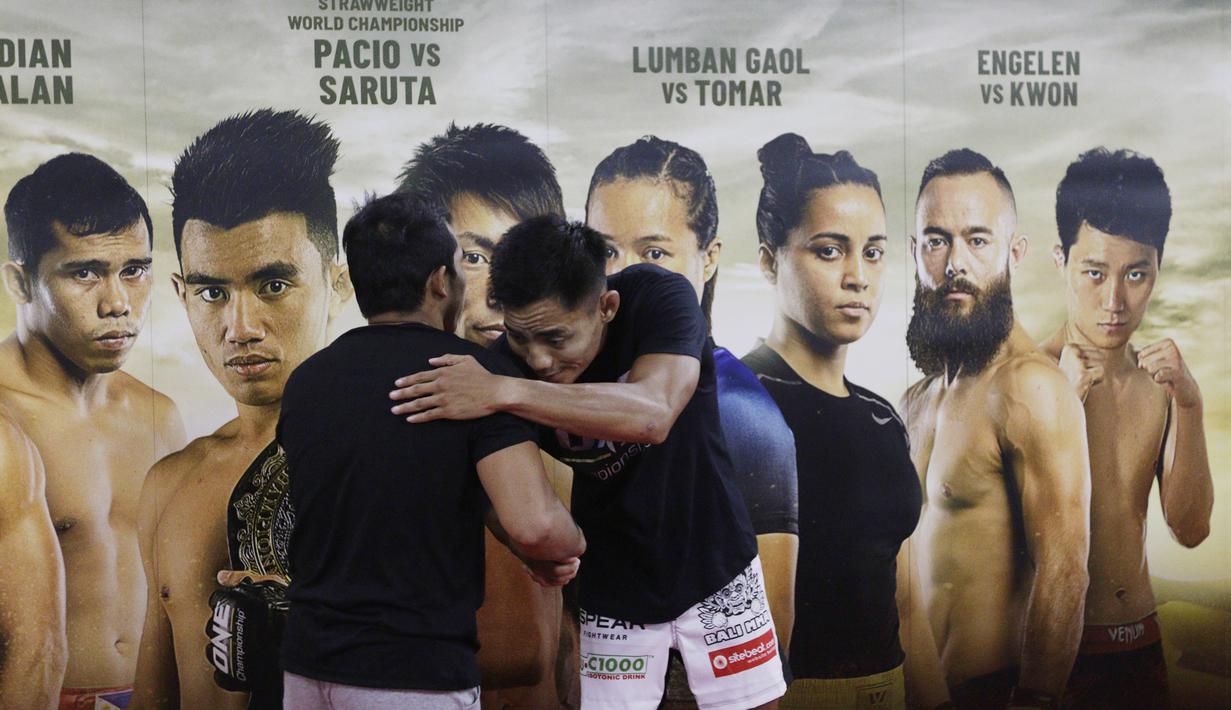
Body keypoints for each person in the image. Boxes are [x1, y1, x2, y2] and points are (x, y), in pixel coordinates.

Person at [390, 216, 786, 709]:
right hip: (612, 588)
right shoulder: (498, 367)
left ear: (606, 307)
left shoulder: (658, 298)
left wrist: (506, 391)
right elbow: (482, 488)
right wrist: (524, 547)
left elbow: (653, 413)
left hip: (718, 566)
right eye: (519, 338)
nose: (538, 360)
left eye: (556, 338)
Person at [278, 191, 585, 709]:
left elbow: (394, 486)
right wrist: (565, 545)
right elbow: (537, 525)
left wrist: (522, 543)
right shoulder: (470, 374)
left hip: (307, 671)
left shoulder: (307, 381)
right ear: (440, 280)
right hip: (412, 677)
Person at [130, 109, 352, 709]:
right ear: (181, 295)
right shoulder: (168, 486)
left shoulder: (401, 460)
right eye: (212, 292)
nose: (241, 327)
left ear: (339, 285)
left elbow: (513, 661)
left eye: (273, 285)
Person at [584, 135, 798, 708]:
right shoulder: (568, 380)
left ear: (708, 258)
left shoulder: (743, 413)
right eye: (605, 251)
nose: (624, 275)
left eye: (653, 253)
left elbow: (767, 640)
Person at [737, 134, 949, 710]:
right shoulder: (736, 401)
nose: (858, 276)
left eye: (873, 252)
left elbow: (905, 609)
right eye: (829, 250)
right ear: (768, 258)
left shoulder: (883, 417)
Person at [900, 148, 1091, 708]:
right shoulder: (914, 402)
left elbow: (1065, 569)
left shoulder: (1029, 387)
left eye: (977, 240)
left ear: (1015, 252)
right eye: (936, 241)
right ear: (915, 253)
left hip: (993, 692)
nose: (954, 262)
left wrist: (1035, 699)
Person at [397, 122, 576, 707]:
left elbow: (564, 649)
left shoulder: (582, 429)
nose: (502, 290)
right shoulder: (379, 409)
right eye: (474, 255)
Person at [1, 153, 186, 709]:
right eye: (84, 272)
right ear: (21, 282)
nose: (118, 303)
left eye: (134, 270)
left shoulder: (158, 416)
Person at [1040, 148, 1213, 709]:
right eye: (1094, 273)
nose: (1114, 302)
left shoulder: (1158, 387)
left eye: (1136, 274)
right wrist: (1058, 408)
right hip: (1047, 655)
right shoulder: (1022, 380)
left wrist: (1190, 407)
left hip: (1139, 645)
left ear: (1157, 267)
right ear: (1060, 261)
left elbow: (1189, 530)